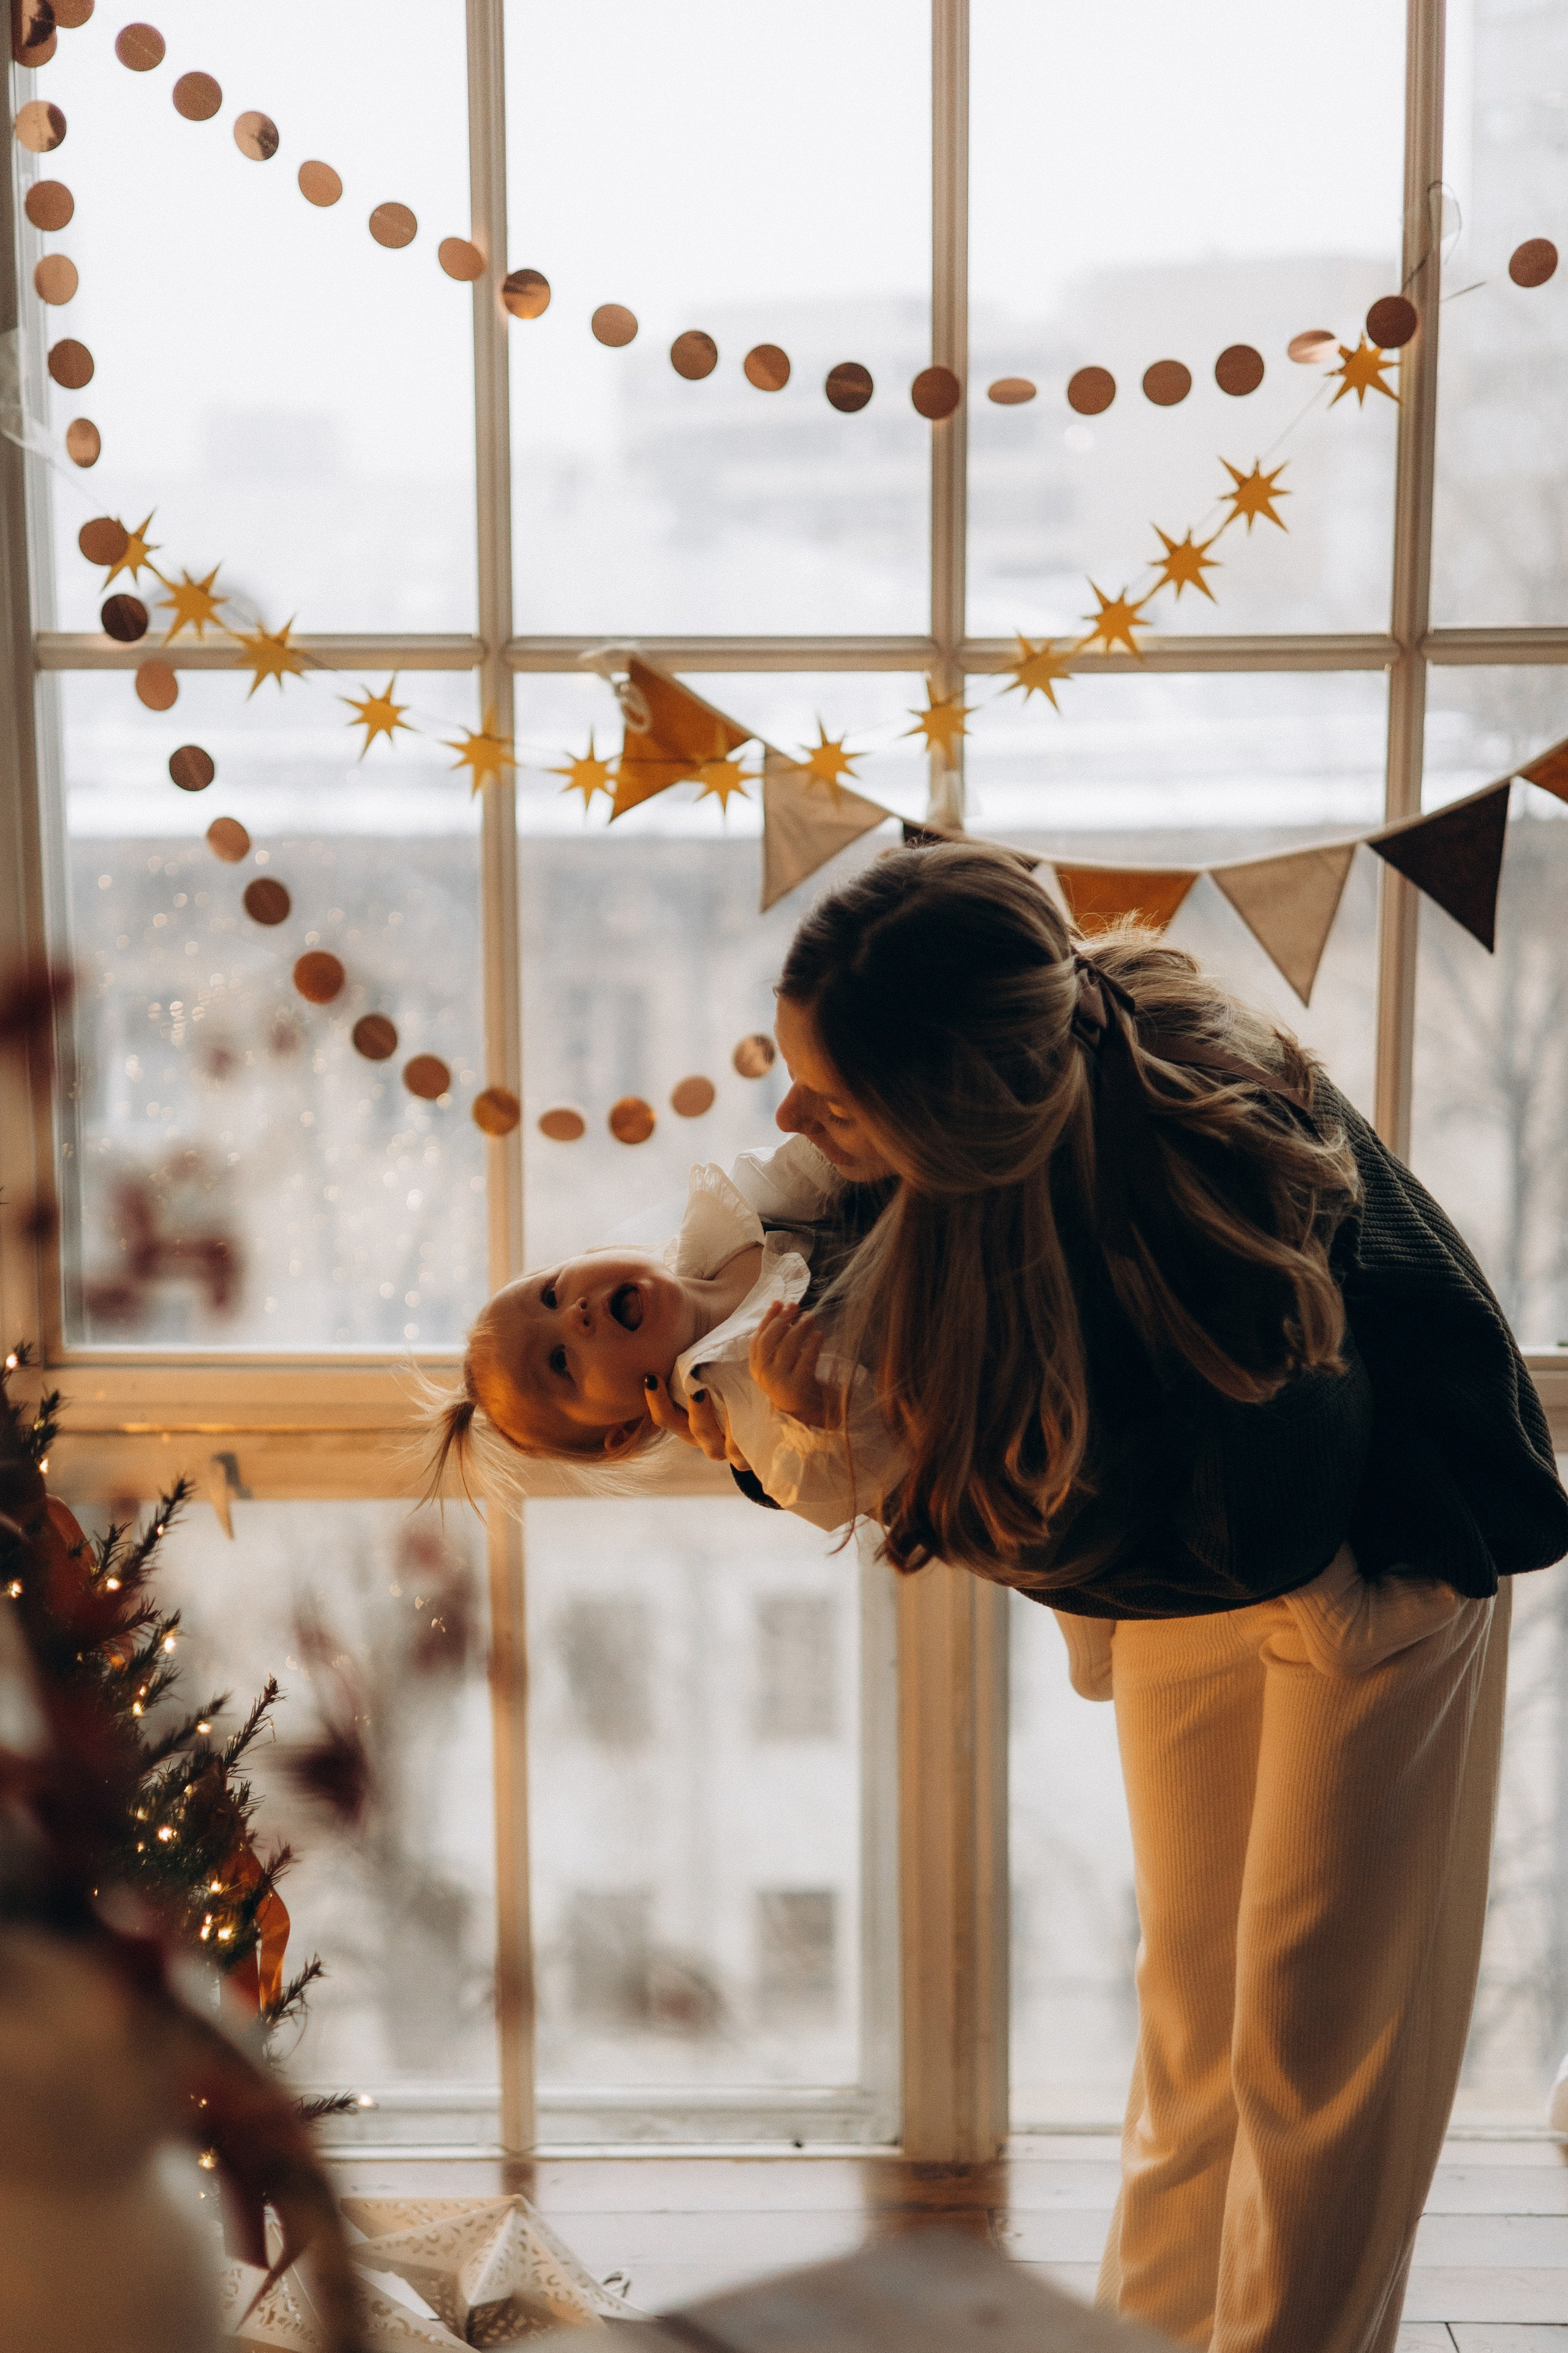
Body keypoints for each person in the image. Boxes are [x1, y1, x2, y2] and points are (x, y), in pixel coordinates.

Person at [659, 840, 1568, 2353]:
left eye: (827, 1096)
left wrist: (880, 1455)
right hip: (1187, 1567)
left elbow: (1133, 1519)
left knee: (1311, 2049)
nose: (786, 1119)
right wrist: (778, 1432)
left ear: (956, 1112)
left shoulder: (1200, 1201)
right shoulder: (980, 1137)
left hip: (1376, 1563)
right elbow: (1038, 1484)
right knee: (1189, 2017)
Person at [420, 1131, 896, 1529]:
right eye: (560, 1361)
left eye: (551, 1293)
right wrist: (814, 1407)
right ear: (625, 1427)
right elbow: (883, 1466)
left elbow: (849, 1147)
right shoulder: (754, 1416)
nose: (574, 1315)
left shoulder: (738, 1210)